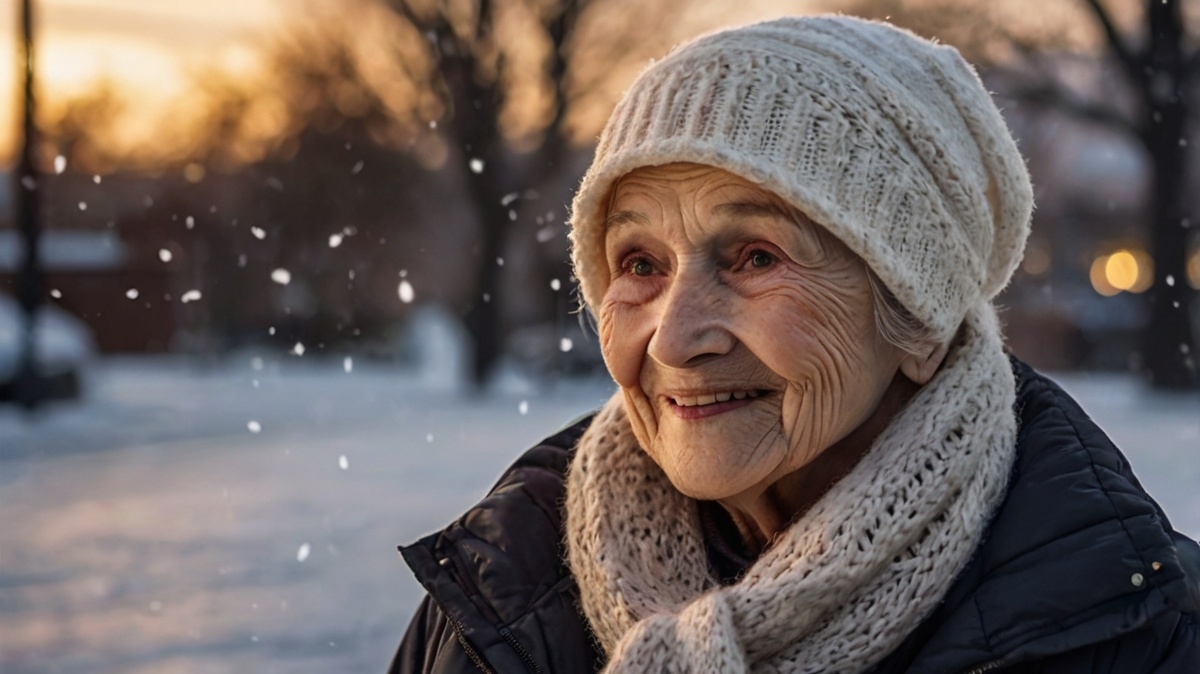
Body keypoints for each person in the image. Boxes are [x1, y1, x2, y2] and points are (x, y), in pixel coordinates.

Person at [390, 16, 1200, 673]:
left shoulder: (1138, 628)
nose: (674, 337)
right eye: (639, 264)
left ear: (916, 320)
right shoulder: (498, 593)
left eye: (755, 258)